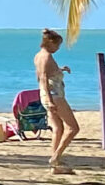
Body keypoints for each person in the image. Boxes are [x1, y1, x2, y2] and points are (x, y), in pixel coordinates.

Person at [35, 28, 81, 173]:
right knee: (73, 128)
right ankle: (55, 157)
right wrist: (50, 101)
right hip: (54, 96)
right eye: (57, 45)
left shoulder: (39, 56)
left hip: (48, 95)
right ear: (50, 43)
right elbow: (43, 78)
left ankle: (56, 166)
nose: (58, 48)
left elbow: (49, 73)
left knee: (58, 129)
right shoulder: (46, 57)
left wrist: (60, 70)